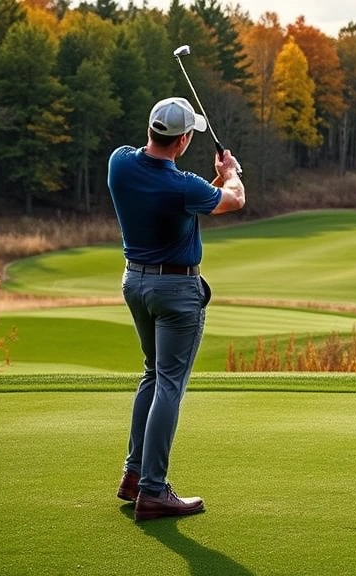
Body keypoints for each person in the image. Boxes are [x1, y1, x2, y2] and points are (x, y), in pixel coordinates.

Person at [108, 97, 245, 521]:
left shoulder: (120, 163)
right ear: (184, 141)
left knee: (153, 373)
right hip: (176, 291)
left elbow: (187, 196)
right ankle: (152, 490)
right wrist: (230, 174)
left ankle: (134, 476)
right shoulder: (184, 185)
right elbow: (233, 200)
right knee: (169, 383)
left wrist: (210, 181)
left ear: (150, 130)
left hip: (136, 282)